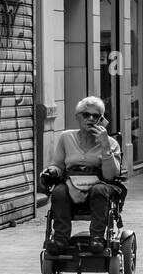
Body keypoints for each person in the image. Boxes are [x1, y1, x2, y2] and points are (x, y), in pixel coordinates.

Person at [43, 96, 124, 254]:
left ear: (102, 120)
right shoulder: (66, 137)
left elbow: (109, 176)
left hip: (99, 185)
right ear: (77, 117)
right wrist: (52, 171)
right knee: (59, 192)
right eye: (86, 115)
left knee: (99, 190)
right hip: (72, 184)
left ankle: (97, 238)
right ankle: (60, 238)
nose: (91, 119)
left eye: (96, 116)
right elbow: (58, 165)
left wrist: (105, 145)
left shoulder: (111, 143)